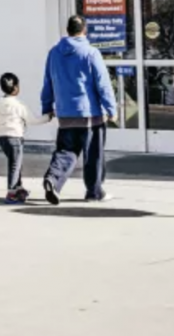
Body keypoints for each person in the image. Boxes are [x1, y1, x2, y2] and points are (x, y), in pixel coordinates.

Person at [41, 15, 118, 205]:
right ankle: (94, 192)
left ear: (67, 30)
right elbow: (103, 84)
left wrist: (47, 106)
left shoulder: (54, 53)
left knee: (66, 151)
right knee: (93, 155)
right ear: (84, 30)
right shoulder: (91, 53)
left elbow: (48, 81)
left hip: (65, 113)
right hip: (89, 114)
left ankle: (53, 179)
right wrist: (111, 108)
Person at [0, 72, 51, 204]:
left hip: (3, 138)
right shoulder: (19, 105)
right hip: (15, 138)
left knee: (15, 163)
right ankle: (11, 192)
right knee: (15, 165)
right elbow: (33, 120)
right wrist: (49, 117)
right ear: (16, 87)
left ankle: (18, 188)